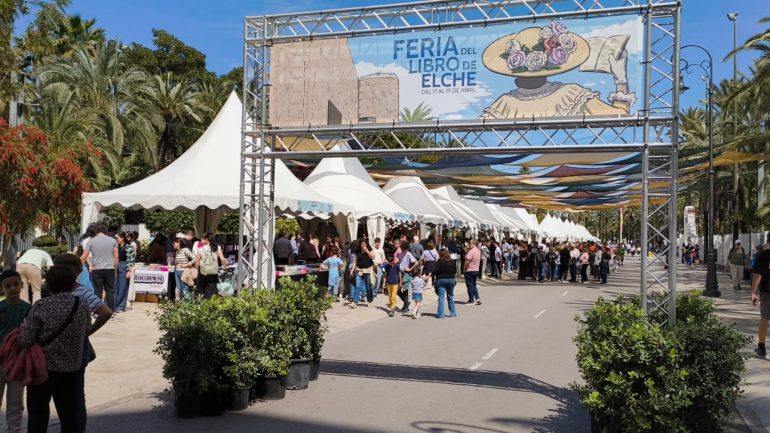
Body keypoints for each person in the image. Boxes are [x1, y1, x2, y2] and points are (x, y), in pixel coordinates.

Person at [18, 265, 90, 433]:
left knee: (38, 414)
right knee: (70, 416)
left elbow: (25, 341)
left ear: (48, 285)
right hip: (71, 370)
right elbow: (87, 329)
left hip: (42, 369)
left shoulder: (41, 305)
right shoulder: (81, 304)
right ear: (73, 284)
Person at [53, 254, 112, 429]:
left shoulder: (82, 292)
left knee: (75, 394)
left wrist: (88, 332)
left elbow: (106, 312)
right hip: (59, 351)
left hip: (77, 350)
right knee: (67, 394)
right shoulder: (57, 291)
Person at [0, 270, 32, 433]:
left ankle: (14, 430)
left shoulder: (29, 309)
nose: (12, 288)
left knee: (16, 401)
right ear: (2, 288)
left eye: (15, 284)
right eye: (8, 286)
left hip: (18, 362)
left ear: (22, 285)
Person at [81, 223, 118, 310]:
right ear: (106, 231)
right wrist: (115, 269)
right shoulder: (113, 241)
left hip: (97, 269)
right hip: (109, 268)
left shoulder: (91, 241)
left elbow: (83, 257)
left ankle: (99, 310)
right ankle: (110, 311)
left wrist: (77, 268)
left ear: (96, 231)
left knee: (98, 291)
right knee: (110, 291)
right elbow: (116, 256)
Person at [751, 232, 770, 358]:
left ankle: (761, 348)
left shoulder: (763, 255)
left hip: (767, 292)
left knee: (765, 318)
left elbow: (758, 275)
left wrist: (753, 292)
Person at [194, 233, 228, 299]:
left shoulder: (200, 249)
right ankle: (209, 303)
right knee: (211, 291)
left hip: (202, 273)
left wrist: (196, 269)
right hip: (213, 272)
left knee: (201, 291)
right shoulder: (217, 248)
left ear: (207, 239)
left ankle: (202, 304)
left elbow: (197, 263)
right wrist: (225, 268)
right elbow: (223, 259)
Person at [114, 232, 135, 315]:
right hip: (115, 266)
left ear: (122, 238)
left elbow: (131, 260)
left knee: (123, 287)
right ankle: (113, 305)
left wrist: (129, 271)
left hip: (124, 267)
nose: (116, 239)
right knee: (114, 287)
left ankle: (120, 306)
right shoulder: (115, 246)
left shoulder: (129, 247)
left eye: (117, 238)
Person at [398, 240, 419, 314]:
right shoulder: (401, 254)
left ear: (406, 249)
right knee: (398, 290)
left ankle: (406, 307)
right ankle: (406, 303)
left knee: (405, 291)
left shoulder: (408, 254)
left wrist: (410, 269)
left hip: (406, 274)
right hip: (400, 273)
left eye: (403, 249)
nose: (402, 250)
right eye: (401, 249)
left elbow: (416, 263)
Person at [434, 249, 457, 319]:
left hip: (441, 280)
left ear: (440, 254)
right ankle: (453, 313)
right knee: (450, 296)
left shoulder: (440, 261)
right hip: (451, 280)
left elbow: (435, 271)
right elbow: (455, 271)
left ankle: (441, 314)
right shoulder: (452, 261)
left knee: (441, 297)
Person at [353, 239, 376, 305]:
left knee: (368, 286)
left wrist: (367, 251)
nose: (363, 245)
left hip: (368, 270)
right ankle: (355, 302)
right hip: (359, 270)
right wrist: (352, 270)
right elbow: (355, 261)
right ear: (360, 244)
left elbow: (373, 257)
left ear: (367, 244)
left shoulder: (370, 250)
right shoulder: (357, 251)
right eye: (362, 244)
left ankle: (370, 300)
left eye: (365, 244)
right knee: (357, 286)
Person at [464, 239, 481, 305]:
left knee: (469, 285)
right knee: (474, 285)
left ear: (474, 244)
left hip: (470, 270)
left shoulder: (471, 251)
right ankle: (477, 298)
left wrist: (465, 269)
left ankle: (471, 300)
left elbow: (467, 261)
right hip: (476, 270)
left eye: (470, 243)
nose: (469, 244)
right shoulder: (478, 251)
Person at [383, 252, 400, 317]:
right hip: (388, 283)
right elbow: (385, 275)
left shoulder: (397, 266)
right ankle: (391, 307)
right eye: (389, 261)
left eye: (391, 261)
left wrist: (400, 282)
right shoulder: (387, 266)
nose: (390, 263)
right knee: (390, 296)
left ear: (393, 260)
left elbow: (399, 274)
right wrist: (384, 283)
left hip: (395, 283)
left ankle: (392, 309)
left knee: (393, 296)